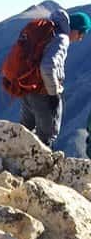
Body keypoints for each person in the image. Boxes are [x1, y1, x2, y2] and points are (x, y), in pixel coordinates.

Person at [19, 8, 90, 148]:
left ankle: (16, 160)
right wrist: (53, 94)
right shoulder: (62, 39)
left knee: (24, 129)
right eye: (82, 33)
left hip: (28, 87)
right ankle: (39, 166)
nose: (81, 38)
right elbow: (47, 66)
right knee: (47, 134)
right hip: (43, 92)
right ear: (75, 30)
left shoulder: (50, 33)